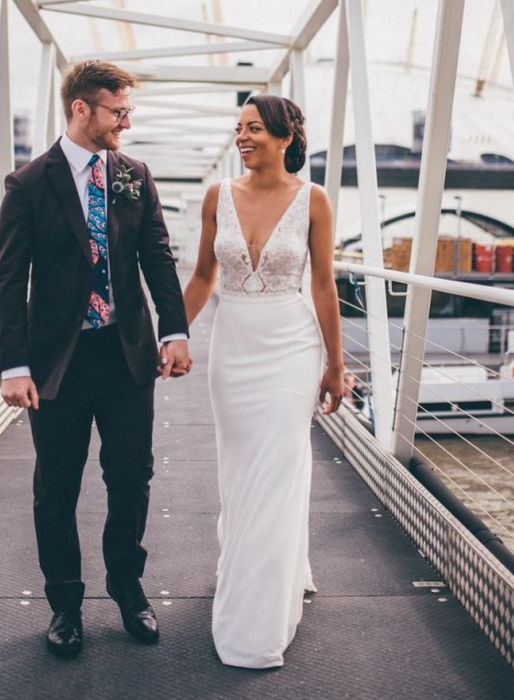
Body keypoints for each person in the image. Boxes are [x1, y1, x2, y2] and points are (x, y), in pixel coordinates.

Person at [0, 60, 190, 658]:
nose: (126, 122)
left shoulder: (134, 175)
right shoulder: (28, 184)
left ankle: (129, 591)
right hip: (59, 362)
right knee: (57, 488)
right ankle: (65, 606)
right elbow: (7, 280)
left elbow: (157, 256)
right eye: (118, 111)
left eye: (128, 111)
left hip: (127, 354)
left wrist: (174, 330)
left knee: (131, 478)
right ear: (82, 109)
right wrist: (14, 366)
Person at [182, 94, 344, 668]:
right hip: (234, 345)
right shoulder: (217, 196)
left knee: (277, 470)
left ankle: (256, 616)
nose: (242, 138)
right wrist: (172, 334)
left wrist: (335, 364)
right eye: (238, 129)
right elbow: (204, 275)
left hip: (291, 346)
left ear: (284, 137)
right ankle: (263, 563)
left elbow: (324, 287)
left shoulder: (314, 201)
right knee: (239, 468)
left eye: (253, 129)